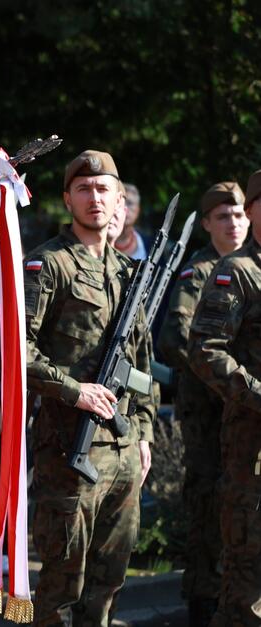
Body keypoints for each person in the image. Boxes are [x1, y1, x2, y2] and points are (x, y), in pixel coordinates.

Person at [18, 150, 156, 625]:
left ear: (119, 199)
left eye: (103, 189)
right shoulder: (48, 265)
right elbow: (14, 347)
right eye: (83, 189)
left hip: (122, 449)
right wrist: (72, 389)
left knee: (109, 580)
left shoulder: (126, 271)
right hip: (67, 454)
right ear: (66, 199)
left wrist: (145, 436)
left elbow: (142, 362)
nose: (94, 197)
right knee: (60, 587)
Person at [156, 181, 249, 625]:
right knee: (209, 503)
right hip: (210, 411)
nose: (232, 223)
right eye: (223, 216)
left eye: (238, 214)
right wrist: (228, 384)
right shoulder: (201, 271)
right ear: (208, 223)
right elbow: (178, 338)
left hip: (243, 411)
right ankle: (203, 597)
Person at [188, 169, 261, 627]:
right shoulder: (237, 271)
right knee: (247, 593)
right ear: (252, 212)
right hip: (252, 453)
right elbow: (204, 350)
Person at [112, 183, 148, 260]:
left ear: (138, 210)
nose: (124, 207)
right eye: (120, 202)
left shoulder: (149, 244)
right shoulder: (99, 242)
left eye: (130, 203)